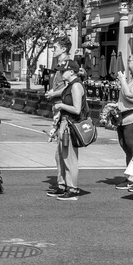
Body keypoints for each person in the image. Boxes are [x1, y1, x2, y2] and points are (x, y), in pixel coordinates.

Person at [48, 65, 86, 201]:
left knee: (69, 158)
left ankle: (72, 189)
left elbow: (77, 109)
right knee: (61, 156)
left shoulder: (76, 86)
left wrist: (61, 106)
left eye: (63, 71)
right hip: (64, 123)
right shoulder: (70, 85)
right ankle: (63, 186)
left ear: (71, 72)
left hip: (71, 125)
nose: (60, 73)